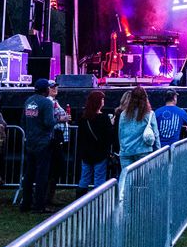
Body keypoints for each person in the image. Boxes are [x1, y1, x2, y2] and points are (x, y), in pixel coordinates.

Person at [16, 79, 69, 213]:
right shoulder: (46, 102)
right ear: (45, 89)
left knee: (29, 174)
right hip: (44, 142)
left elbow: (23, 120)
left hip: (30, 141)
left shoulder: (28, 101)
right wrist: (60, 119)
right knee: (42, 175)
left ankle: (25, 203)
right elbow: (48, 122)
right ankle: (39, 205)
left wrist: (28, 133)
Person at [75, 89, 116, 187]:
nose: (103, 102)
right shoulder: (104, 118)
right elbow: (108, 136)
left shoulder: (83, 117)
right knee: (99, 178)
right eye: (102, 100)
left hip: (86, 153)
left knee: (84, 177)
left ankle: (80, 199)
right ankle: (98, 200)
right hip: (100, 153)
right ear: (98, 102)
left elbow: (80, 135)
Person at [117, 86, 160, 167]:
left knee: (128, 179)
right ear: (145, 98)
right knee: (143, 179)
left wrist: (122, 149)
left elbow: (120, 133)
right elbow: (156, 134)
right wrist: (158, 151)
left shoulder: (123, 114)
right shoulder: (149, 114)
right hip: (143, 151)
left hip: (126, 152)